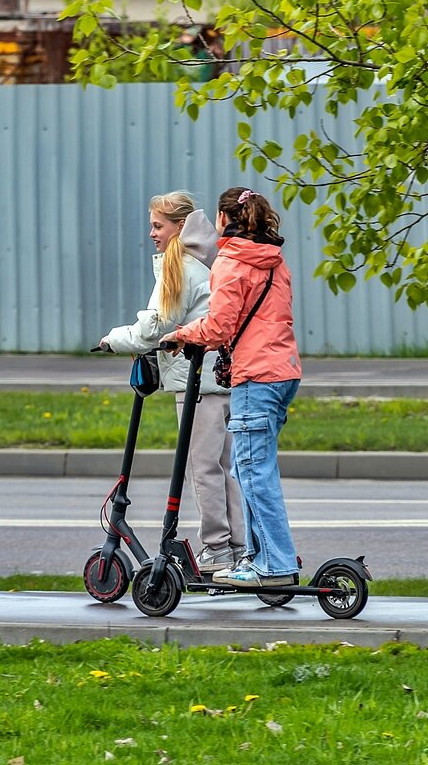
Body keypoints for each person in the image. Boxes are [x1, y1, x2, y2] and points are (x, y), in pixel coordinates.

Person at [160, 187, 302, 588]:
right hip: (284, 372)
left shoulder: (230, 261)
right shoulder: (274, 261)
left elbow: (219, 326)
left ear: (223, 219)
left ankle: (275, 565)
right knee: (247, 467)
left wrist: (181, 335)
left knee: (254, 473)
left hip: (256, 375)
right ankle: (262, 558)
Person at [100, 191, 246, 572]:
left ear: (179, 227)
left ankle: (215, 548)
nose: (151, 233)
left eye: (157, 225)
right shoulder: (202, 263)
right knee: (224, 468)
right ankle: (236, 546)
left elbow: (155, 325)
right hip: (222, 379)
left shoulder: (178, 266)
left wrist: (113, 340)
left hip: (198, 385)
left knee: (203, 468)